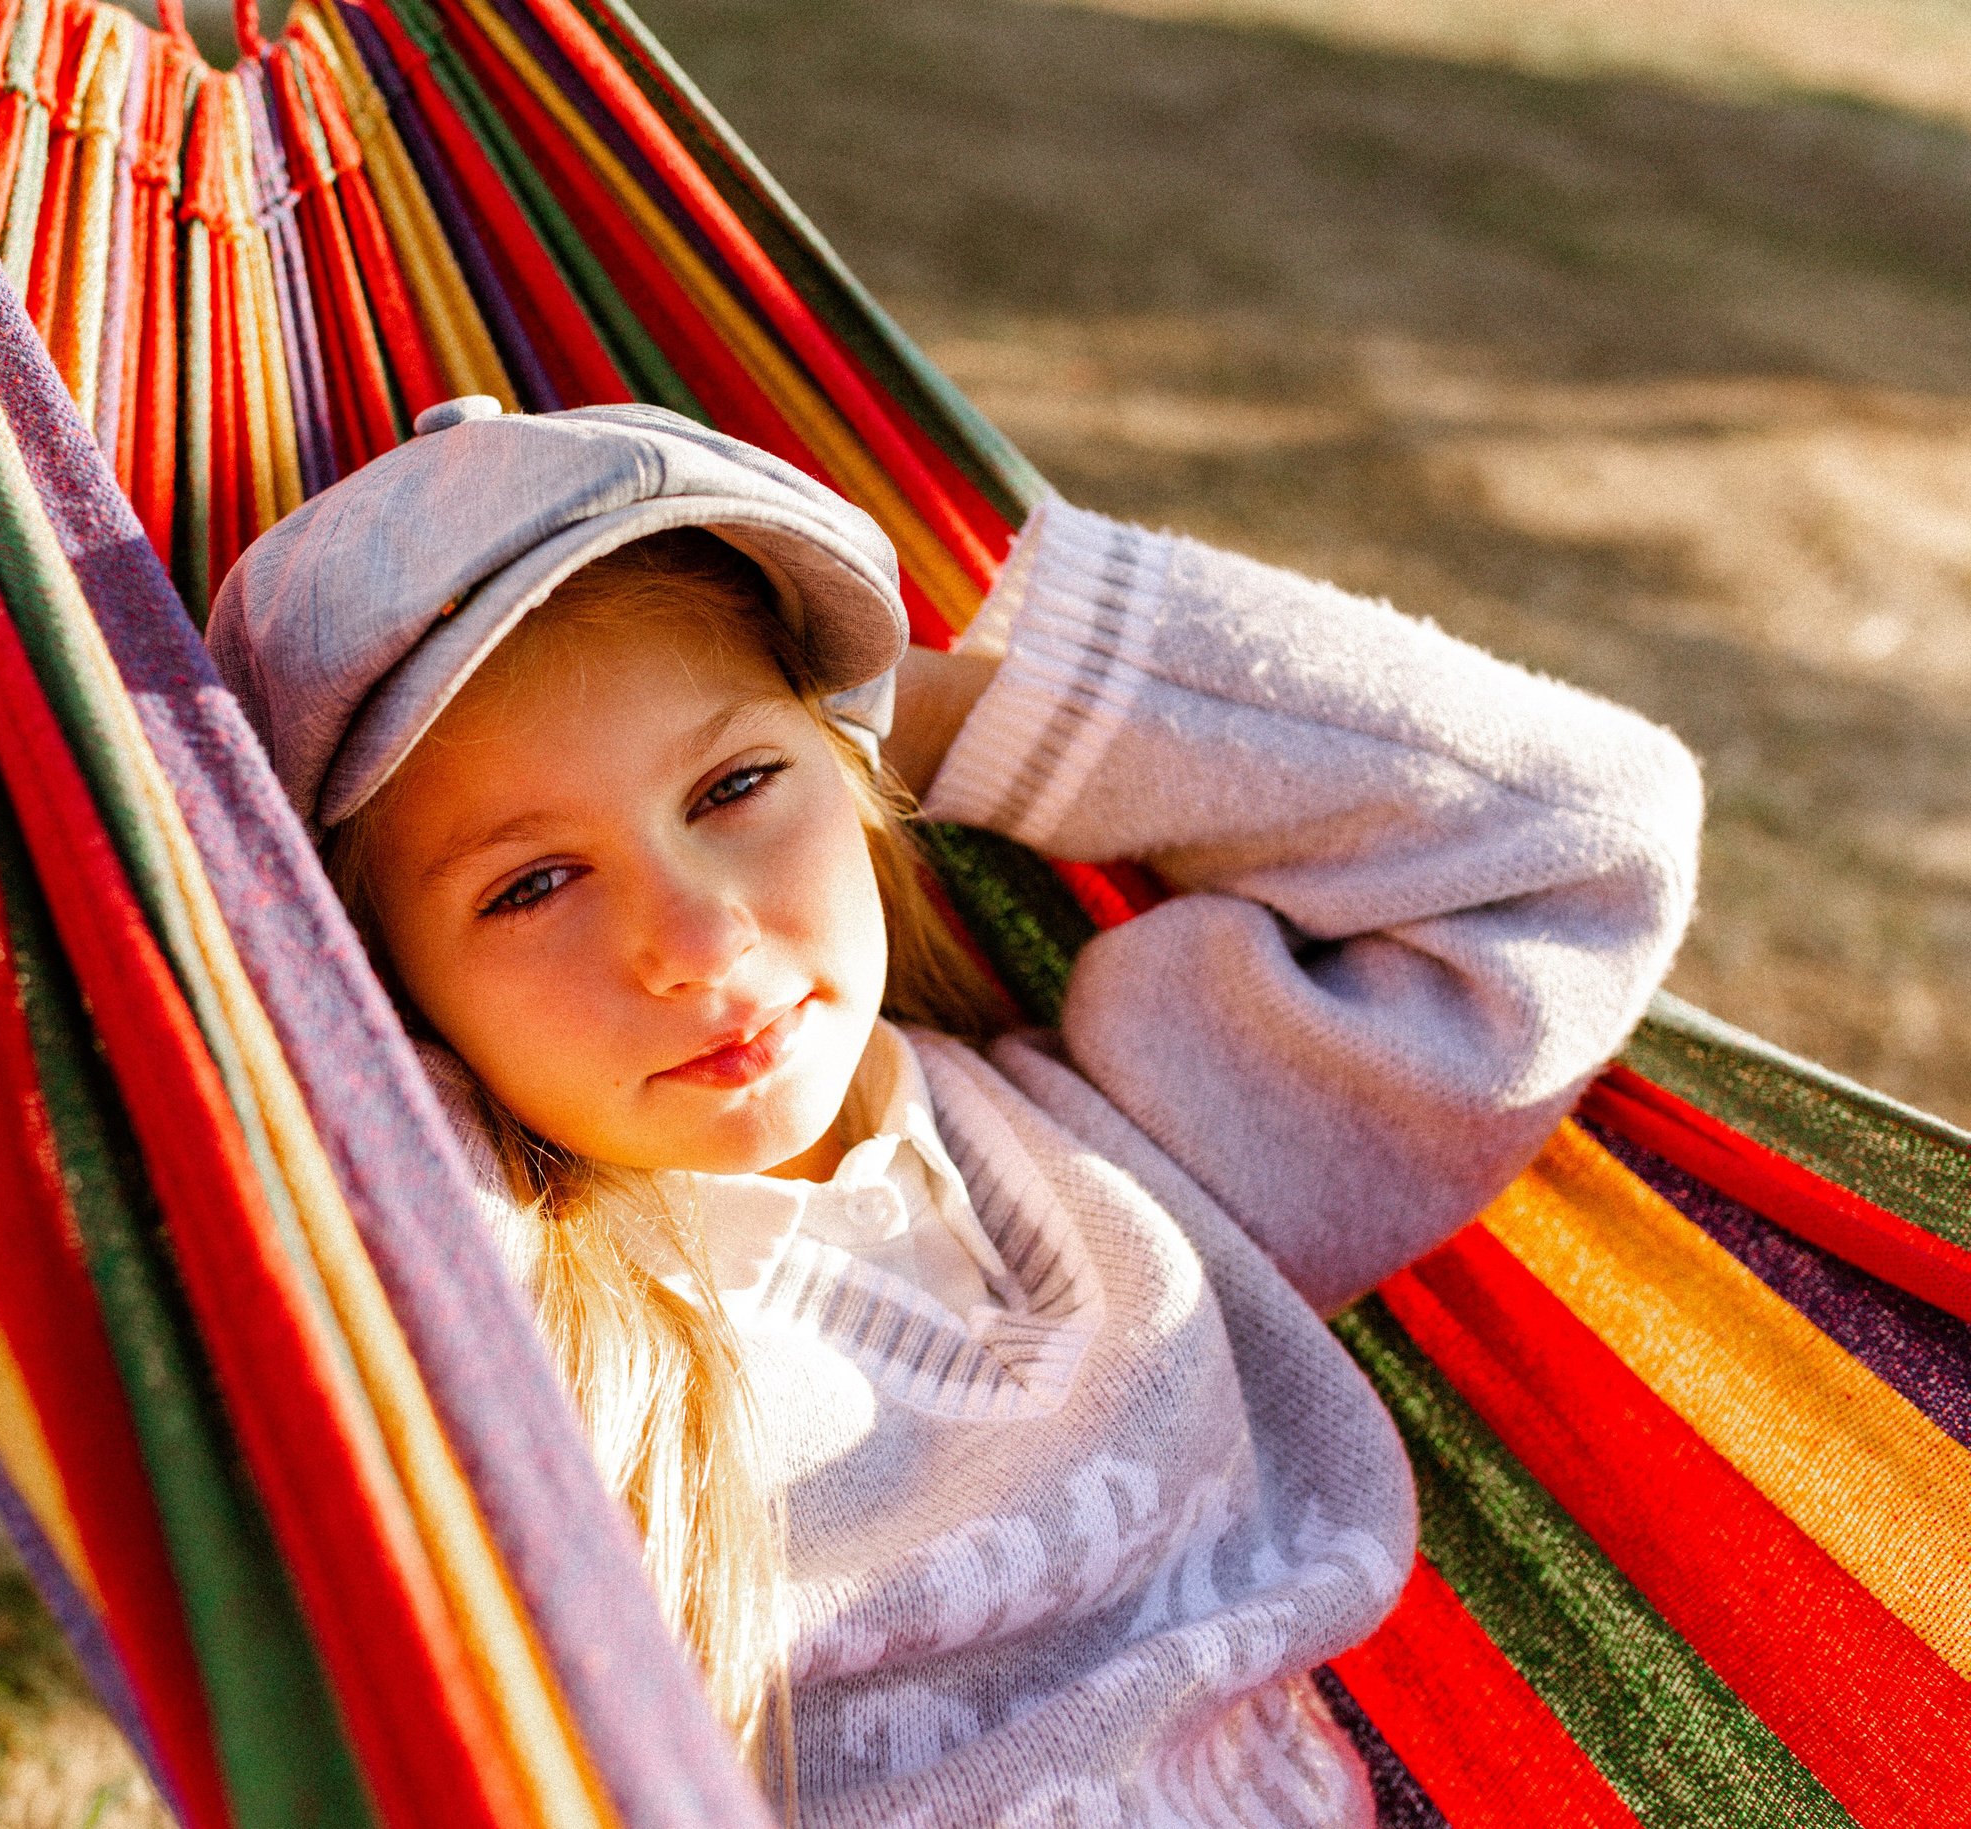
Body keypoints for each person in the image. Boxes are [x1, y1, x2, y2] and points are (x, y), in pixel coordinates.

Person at [206, 396, 1700, 1828]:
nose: (702, 939)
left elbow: (1582, 838)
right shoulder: (493, 1292)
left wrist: (910, 710)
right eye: (532, 882)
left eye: (734, 785)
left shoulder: (1135, 1152)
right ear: (388, 988)